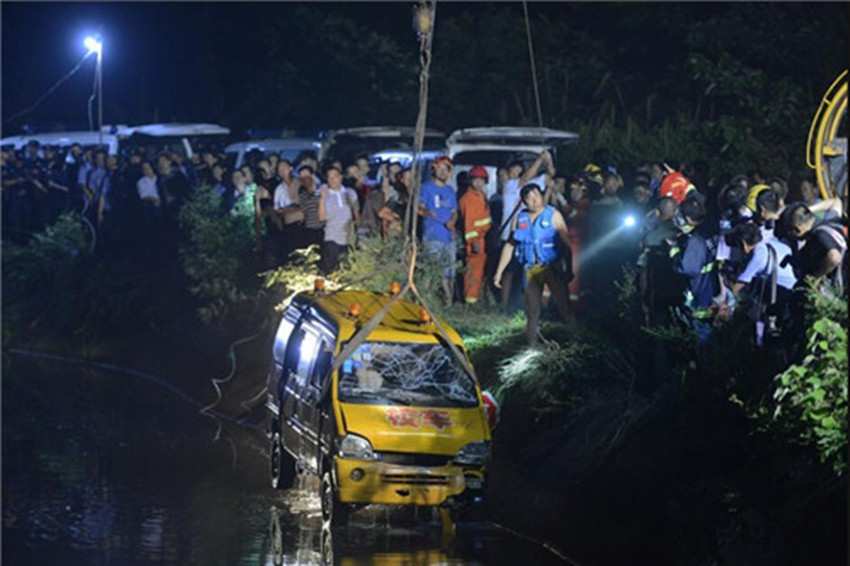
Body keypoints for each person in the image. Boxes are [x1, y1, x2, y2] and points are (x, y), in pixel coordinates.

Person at [494, 183, 574, 346]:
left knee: (564, 308)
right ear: (524, 201)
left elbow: (566, 245)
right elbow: (509, 246)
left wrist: (569, 269)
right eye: (530, 198)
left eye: (537, 195)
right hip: (530, 269)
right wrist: (499, 272)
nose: (535, 200)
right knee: (532, 312)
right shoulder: (519, 218)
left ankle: (578, 341)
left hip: (552, 267)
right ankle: (532, 348)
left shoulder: (553, 215)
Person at [497, 151, 555, 313]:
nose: (515, 173)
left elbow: (550, 177)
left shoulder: (531, 187)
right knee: (509, 272)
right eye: (512, 170)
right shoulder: (510, 186)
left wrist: (548, 163)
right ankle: (505, 304)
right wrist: (540, 160)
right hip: (510, 235)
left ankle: (524, 304)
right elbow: (525, 179)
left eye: (518, 170)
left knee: (526, 271)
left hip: (528, 237)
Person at [669, 195, 720, 347]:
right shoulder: (712, 227)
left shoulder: (696, 241)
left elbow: (688, 269)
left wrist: (674, 250)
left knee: (703, 342)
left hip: (702, 298)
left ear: (689, 218)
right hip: (715, 292)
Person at [419, 156, 459, 307]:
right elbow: (419, 208)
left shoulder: (450, 190)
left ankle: (448, 301)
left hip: (448, 237)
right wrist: (428, 213)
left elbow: (454, 211)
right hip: (432, 235)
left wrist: (453, 221)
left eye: (446, 169)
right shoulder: (426, 188)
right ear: (434, 169)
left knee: (448, 272)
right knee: (431, 269)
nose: (443, 172)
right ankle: (426, 301)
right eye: (440, 168)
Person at [783, 202, 847, 291]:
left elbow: (834, 258)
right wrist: (805, 212)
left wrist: (815, 277)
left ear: (798, 229)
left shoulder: (819, 235)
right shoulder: (831, 220)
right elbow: (836, 202)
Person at [458, 165, 492, 305]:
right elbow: (469, 223)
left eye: (481, 180)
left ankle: (476, 299)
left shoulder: (481, 196)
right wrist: (474, 242)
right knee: (474, 272)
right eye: (476, 180)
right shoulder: (469, 198)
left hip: (484, 238)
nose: (479, 183)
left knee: (480, 271)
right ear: (470, 181)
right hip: (475, 241)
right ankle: (470, 302)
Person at [318, 165, 359, 274]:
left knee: (347, 267)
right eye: (329, 177)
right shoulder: (325, 195)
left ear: (340, 177)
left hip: (348, 236)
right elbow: (322, 217)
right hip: (332, 236)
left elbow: (356, 213)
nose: (332, 180)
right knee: (332, 268)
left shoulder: (350, 192)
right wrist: (322, 198)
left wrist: (357, 232)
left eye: (335, 176)